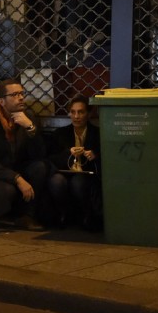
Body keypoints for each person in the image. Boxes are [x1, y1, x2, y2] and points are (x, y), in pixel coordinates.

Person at [0, 79, 48, 231]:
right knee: (7, 191)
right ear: (2, 101)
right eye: (14, 94)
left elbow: (39, 154)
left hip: (15, 168)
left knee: (39, 167)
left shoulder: (28, 117)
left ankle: (26, 216)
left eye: (22, 93)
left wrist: (30, 128)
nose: (21, 98)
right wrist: (16, 178)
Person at [47, 95, 102, 230]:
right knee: (56, 181)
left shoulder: (97, 134)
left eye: (81, 112)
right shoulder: (60, 133)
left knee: (78, 183)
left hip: (85, 173)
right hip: (65, 171)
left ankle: (85, 215)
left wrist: (94, 155)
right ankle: (63, 214)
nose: (76, 116)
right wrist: (69, 153)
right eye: (73, 112)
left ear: (88, 114)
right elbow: (51, 158)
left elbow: (104, 158)